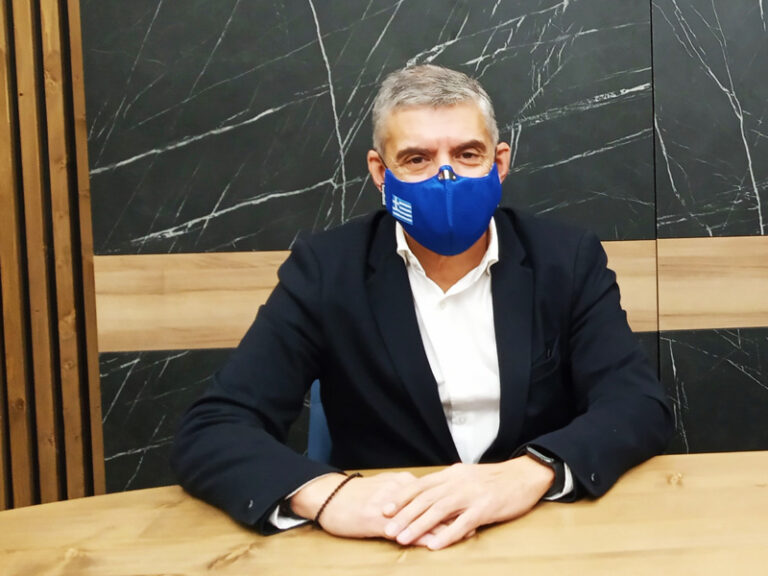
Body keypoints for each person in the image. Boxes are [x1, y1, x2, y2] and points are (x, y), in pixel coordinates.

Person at [171, 64, 673, 551]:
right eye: (417, 159)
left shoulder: (566, 258)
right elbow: (215, 427)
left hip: (542, 534)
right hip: (387, 541)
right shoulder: (326, 269)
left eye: (467, 154)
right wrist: (331, 496)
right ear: (380, 172)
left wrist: (528, 473)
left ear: (499, 163)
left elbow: (636, 403)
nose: (445, 178)